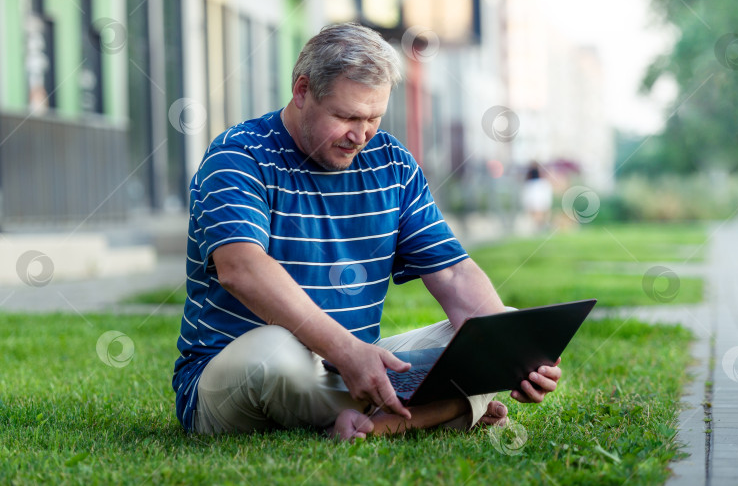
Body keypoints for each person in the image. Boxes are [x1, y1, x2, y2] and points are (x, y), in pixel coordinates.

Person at [171, 23, 562, 441]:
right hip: (237, 374)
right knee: (275, 351)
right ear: (302, 92)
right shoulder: (238, 155)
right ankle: (441, 408)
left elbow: (452, 274)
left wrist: (514, 358)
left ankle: (373, 423)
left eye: (373, 117)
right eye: (346, 117)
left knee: (498, 328)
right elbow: (241, 268)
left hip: (352, 368)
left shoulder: (392, 164)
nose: (360, 135)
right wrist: (346, 351)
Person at [522, 161, 553, 229]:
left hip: (537, 191)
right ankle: (539, 225)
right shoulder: (533, 183)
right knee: (537, 210)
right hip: (535, 191)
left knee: (539, 210)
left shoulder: (540, 183)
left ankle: (540, 225)